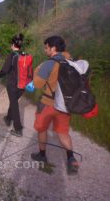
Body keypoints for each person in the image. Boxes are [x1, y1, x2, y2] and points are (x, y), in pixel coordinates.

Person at [31, 35, 79, 175]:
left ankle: (42, 155)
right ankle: (71, 159)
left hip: (48, 103)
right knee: (63, 132)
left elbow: (38, 84)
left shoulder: (49, 63)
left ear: (53, 48)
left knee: (41, 129)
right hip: (65, 105)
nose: (45, 50)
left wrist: (37, 70)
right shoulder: (71, 61)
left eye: (46, 47)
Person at [0, 34, 29, 137]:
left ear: (13, 44)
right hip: (23, 85)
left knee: (14, 104)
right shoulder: (25, 54)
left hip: (13, 85)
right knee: (13, 101)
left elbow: (5, 70)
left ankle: (18, 129)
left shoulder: (12, 55)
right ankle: (8, 118)